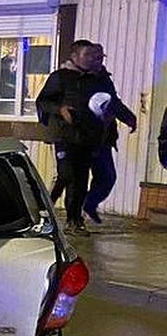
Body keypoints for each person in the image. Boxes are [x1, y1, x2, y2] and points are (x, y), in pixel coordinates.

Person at [36, 39, 107, 233]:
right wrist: (60, 109)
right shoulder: (60, 77)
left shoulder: (96, 79)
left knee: (81, 179)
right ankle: (45, 210)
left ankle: (74, 220)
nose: (92, 59)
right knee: (67, 175)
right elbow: (42, 101)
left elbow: (107, 102)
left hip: (86, 136)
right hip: (64, 135)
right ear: (75, 57)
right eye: (88, 55)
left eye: (94, 56)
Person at [81, 43, 136, 223]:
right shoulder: (75, 78)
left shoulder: (104, 78)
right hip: (79, 137)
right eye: (95, 57)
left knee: (107, 177)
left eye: (101, 57)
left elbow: (113, 102)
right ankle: (72, 217)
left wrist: (128, 117)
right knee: (72, 178)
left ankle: (88, 204)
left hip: (102, 137)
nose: (98, 61)